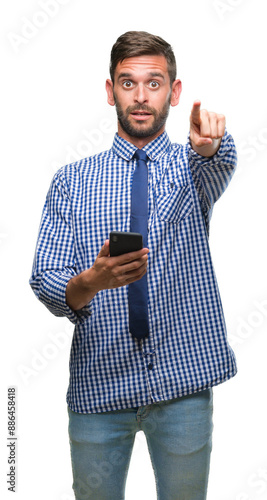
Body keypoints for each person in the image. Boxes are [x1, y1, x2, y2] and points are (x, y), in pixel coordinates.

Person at [29, 31, 237, 500]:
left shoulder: (192, 169)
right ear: (110, 91)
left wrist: (209, 146)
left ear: (174, 92)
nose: (141, 97)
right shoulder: (72, 182)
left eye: (154, 83)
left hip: (181, 384)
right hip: (99, 387)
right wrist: (92, 280)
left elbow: (218, 160)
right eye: (128, 83)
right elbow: (47, 280)